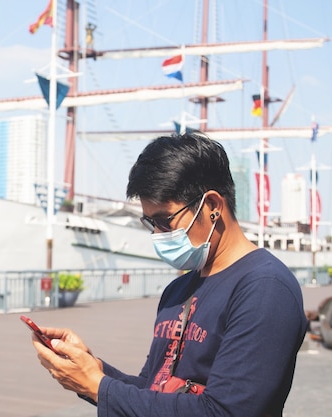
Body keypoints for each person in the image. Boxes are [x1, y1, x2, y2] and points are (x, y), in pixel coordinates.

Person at [31, 131, 308, 417]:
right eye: (150, 222)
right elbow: (153, 389)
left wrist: (98, 387)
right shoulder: (177, 290)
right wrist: (91, 369)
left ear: (212, 206)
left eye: (165, 221)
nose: (157, 234)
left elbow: (225, 411)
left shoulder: (265, 288)